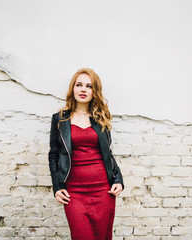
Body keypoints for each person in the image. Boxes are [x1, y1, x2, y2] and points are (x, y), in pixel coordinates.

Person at [48, 68, 124, 240]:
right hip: (74, 192)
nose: (83, 89)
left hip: (103, 190)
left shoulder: (101, 118)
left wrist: (118, 179)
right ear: (73, 88)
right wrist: (57, 185)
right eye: (79, 85)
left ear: (94, 91)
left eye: (89, 86)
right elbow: (53, 154)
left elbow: (108, 154)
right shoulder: (60, 119)